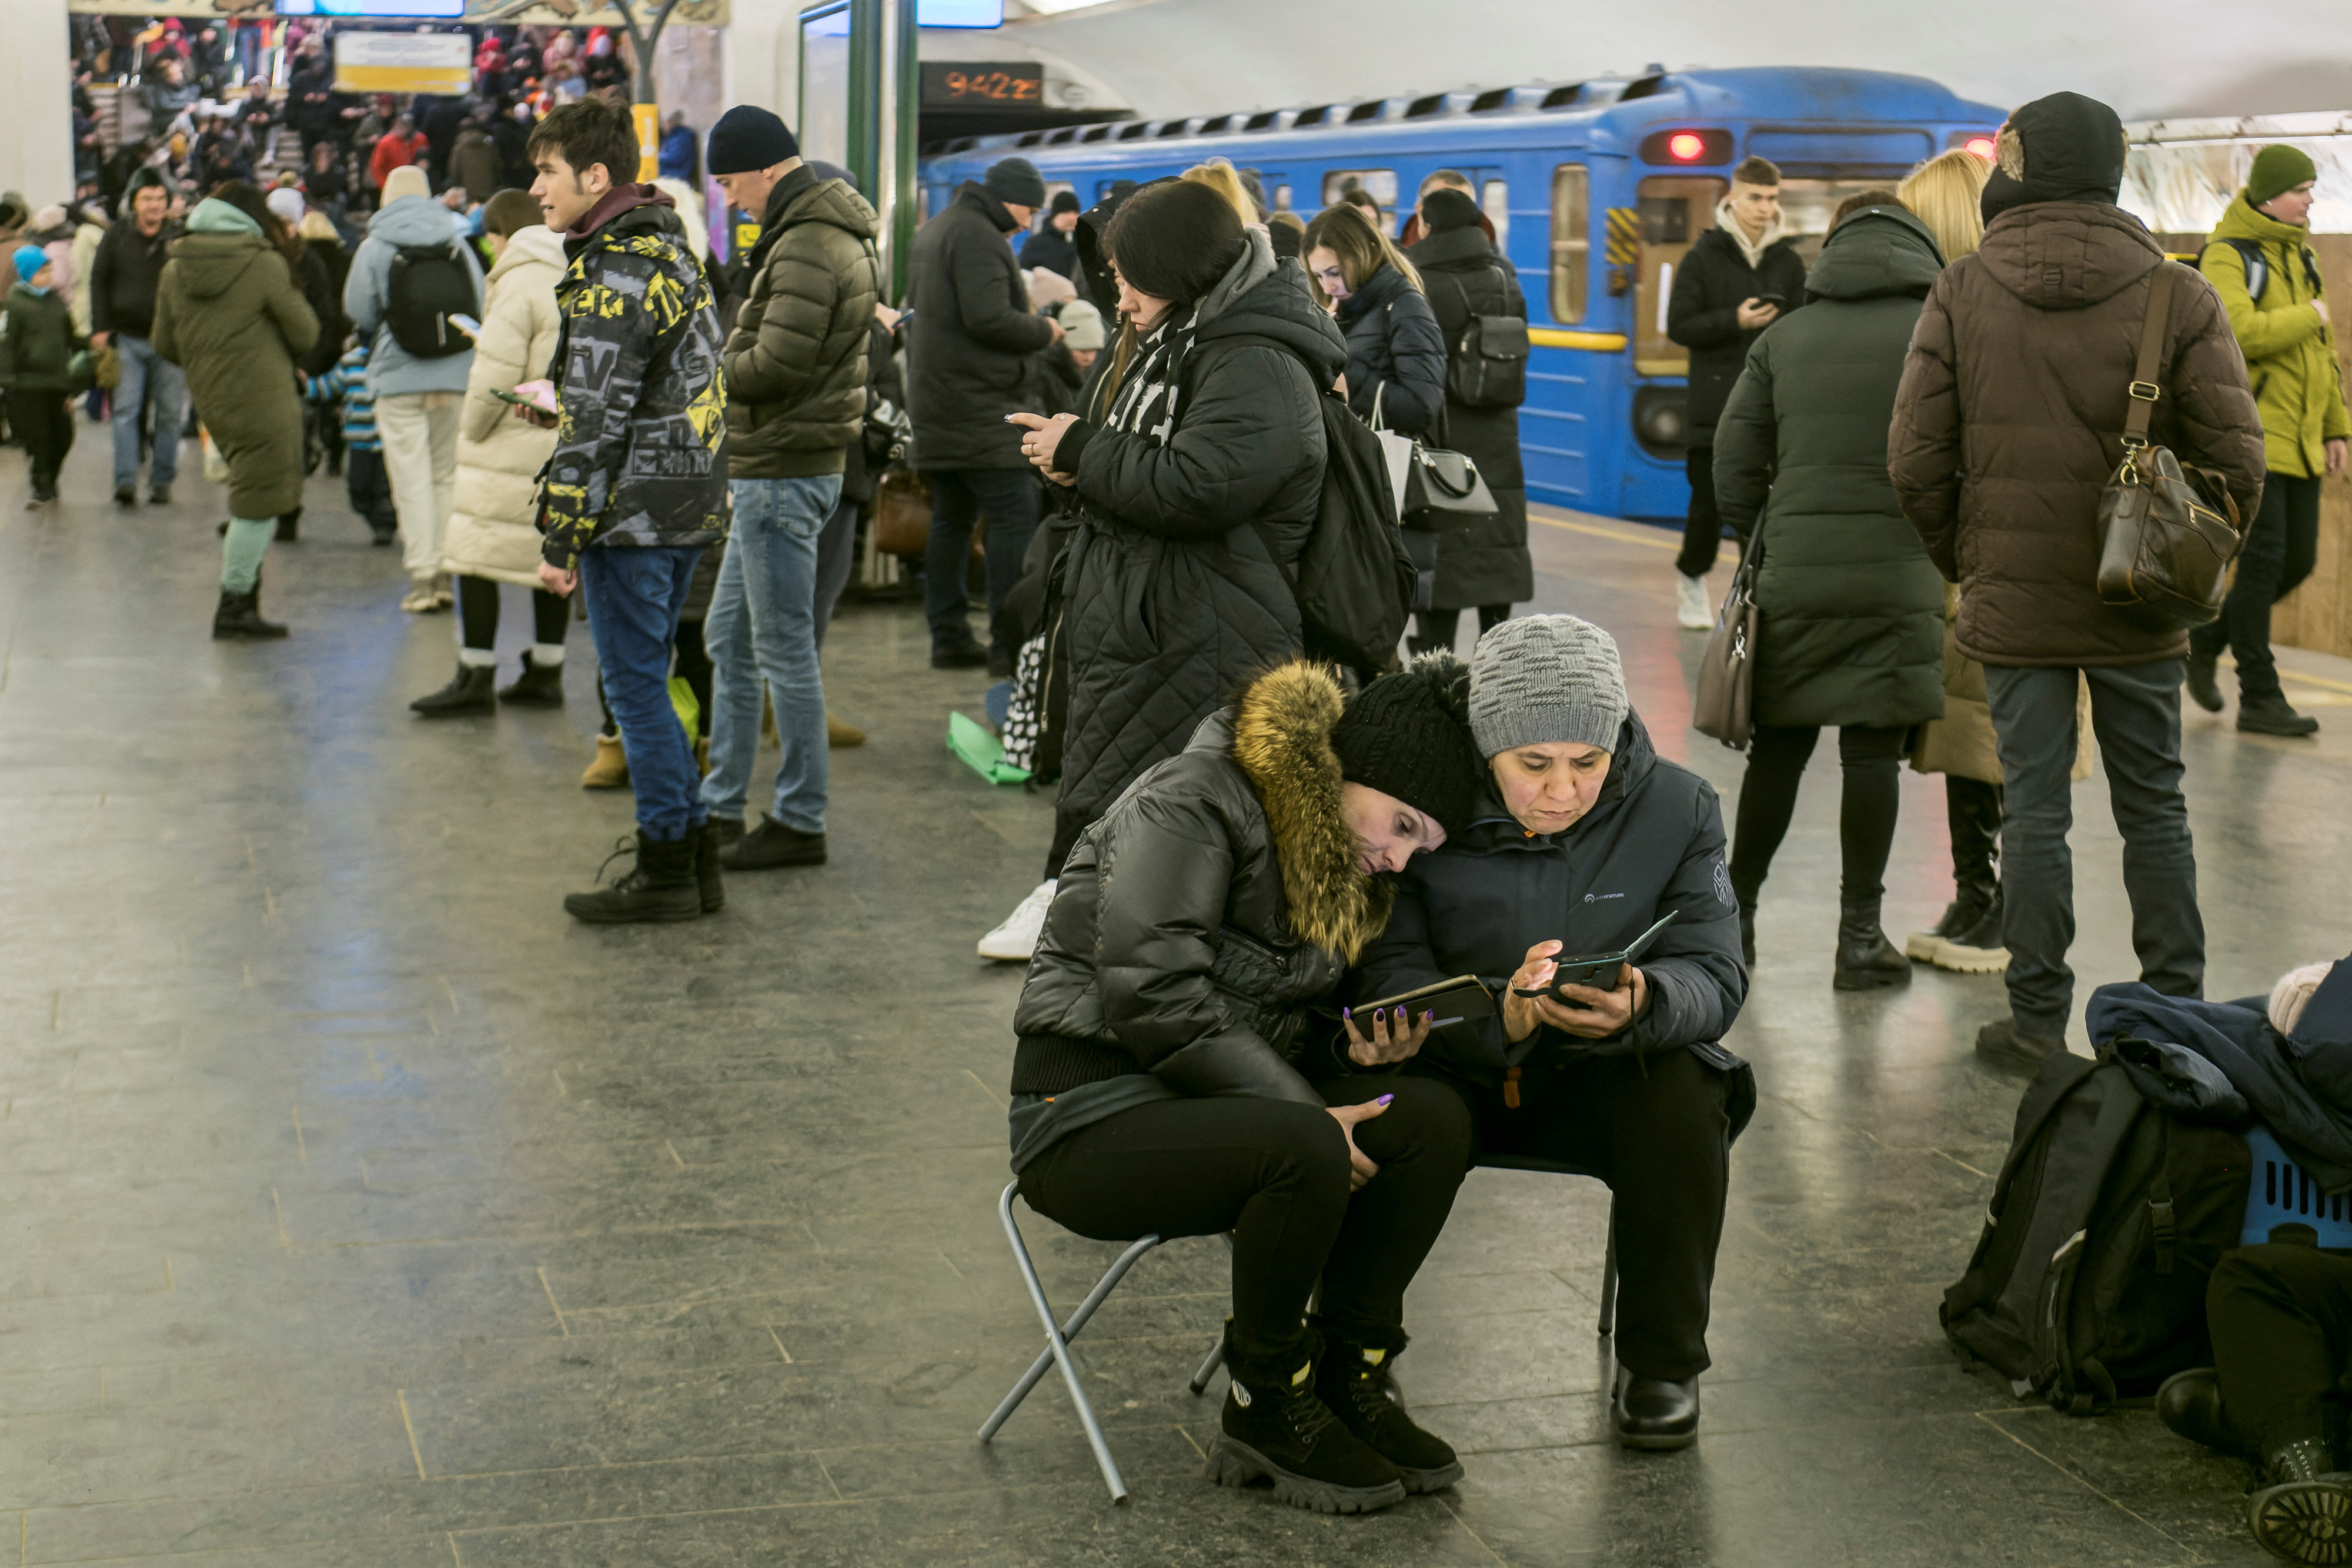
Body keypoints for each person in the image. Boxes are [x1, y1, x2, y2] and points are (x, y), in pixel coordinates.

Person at [1012, 656, 1488, 1514]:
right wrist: (1310, 1108)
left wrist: (1352, 1051)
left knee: (1429, 1119)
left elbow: (1268, 1011)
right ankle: (1266, 1397)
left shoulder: (1337, 859)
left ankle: (1351, 1371)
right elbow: (1151, 993)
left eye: (1421, 846)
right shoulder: (1192, 799)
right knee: (1307, 1139)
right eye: (1403, 824)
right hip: (1086, 1114)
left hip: (1211, 1109)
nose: (1398, 857)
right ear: (1352, 768)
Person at [1888, 91, 2265, 1067]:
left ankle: (2035, 1021)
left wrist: (1971, 564)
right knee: (2156, 803)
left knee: (2038, 809)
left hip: (2012, 602)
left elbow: (1914, 463)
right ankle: (2175, 1014)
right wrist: (2181, 564)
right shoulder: (2179, 294)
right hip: (2137, 603)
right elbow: (2240, 464)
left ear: (2027, 166)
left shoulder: (1962, 290)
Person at [1354, 614, 1752, 1450]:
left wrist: (1647, 1000)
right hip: (1458, 1067)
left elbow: (1716, 969)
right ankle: (1354, 1341)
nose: (1563, 790)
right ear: (1487, 746)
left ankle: (1662, 1361)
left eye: (1588, 763)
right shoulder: (1424, 803)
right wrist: (1495, 1015)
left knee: (1687, 1094)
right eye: (1532, 765)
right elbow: (1385, 969)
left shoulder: (1680, 805)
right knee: (1387, 1107)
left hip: (1603, 1066)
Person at [982, 179, 1344, 964]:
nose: (1119, 298)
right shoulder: (1186, 339)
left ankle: (1123, 937)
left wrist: (1081, 451)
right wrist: (1067, 455)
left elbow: (1200, 484)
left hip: (1209, 622)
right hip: (1153, 615)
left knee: (1174, 804)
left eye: (1126, 278)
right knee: (1117, 787)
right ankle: (1085, 912)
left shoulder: (1255, 360)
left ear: (1174, 270)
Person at [1712, 193, 1949, 987]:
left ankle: (1733, 917)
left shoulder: (1786, 335)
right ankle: (1859, 938)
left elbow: (1734, 464)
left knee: (1779, 748)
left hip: (1798, 573)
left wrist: (1766, 536)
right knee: (1872, 754)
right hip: (1902, 575)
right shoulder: (1942, 336)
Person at [524, 98, 729, 923]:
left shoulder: (613, 272)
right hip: (685, 501)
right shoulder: (670, 253)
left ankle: (666, 867)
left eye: (547, 171)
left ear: (595, 176)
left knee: (636, 690)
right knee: (654, 681)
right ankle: (693, 858)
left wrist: (561, 536)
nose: (537, 188)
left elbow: (598, 421)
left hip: (633, 516)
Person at [694, 105, 880, 871]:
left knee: (781, 649)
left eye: (734, 182)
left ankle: (800, 816)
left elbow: (775, 362)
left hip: (784, 466)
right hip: (783, 462)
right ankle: (721, 802)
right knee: (728, 638)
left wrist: (705, 370)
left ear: (769, 169)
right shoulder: (819, 234)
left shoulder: (807, 243)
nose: (732, 198)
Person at [1895, 148, 2018, 975]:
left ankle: (1994, 908)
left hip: (1982, 552)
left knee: (1982, 730)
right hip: (2001, 550)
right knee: (1974, 732)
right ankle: (1979, 897)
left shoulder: (1962, 306)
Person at [2186, 145, 2350, 738]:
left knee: (2299, 560)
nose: (2310, 199)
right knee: (2260, 565)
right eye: (2302, 189)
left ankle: (2205, 641)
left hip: (2302, 437)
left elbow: (2322, 356)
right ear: (2271, 194)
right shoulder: (2228, 254)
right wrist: (2310, 314)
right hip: (2250, 435)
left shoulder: (2299, 256)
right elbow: (2235, 333)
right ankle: (2259, 694)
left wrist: (2336, 428)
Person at [410, 190, 571, 715]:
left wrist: (473, 429)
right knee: (550, 555)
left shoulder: (518, 281)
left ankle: (475, 672)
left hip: (508, 438)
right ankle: (547, 668)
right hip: (560, 435)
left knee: (476, 554)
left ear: (503, 235)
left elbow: (495, 372)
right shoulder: (575, 266)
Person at [904, 156, 1063, 672]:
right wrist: (1044, 330)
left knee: (951, 518)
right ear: (1011, 200)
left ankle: (948, 636)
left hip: (939, 402)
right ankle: (1008, 646)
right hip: (979, 406)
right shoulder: (977, 236)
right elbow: (990, 319)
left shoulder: (939, 229)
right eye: (1029, 212)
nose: (1027, 225)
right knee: (1015, 512)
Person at [151, 182, 319, 638]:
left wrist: (211, 361)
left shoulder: (174, 266)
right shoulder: (261, 262)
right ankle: (236, 604)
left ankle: (241, 598)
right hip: (263, 396)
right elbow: (305, 333)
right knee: (257, 502)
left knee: (252, 493)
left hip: (213, 396)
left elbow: (164, 342)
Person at [1666, 155, 1809, 630]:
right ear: (1734, 197)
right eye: (1756, 198)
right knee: (1707, 505)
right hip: (1714, 407)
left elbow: (1802, 325)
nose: (1765, 208)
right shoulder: (1702, 258)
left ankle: (1757, 596)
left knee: (1767, 508)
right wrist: (1735, 320)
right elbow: (1678, 325)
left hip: (1769, 408)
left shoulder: (1788, 261)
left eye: (1772, 198)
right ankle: (1691, 576)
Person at [345, 162, 485, 613]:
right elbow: (479, 304)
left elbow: (360, 312)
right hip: (455, 373)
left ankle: (424, 576)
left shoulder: (374, 246)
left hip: (399, 376)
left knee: (410, 478)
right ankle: (448, 569)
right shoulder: (457, 242)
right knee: (446, 474)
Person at [1404, 185, 1532, 653]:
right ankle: (1495, 662)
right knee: (1499, 545)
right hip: (1500, 430)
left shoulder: (1420, 281)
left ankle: (1436, 665)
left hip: (1445, 433)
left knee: (1448, 547)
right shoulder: (1505, 277)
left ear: (1429, 226)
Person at [88, 169, 185, 506]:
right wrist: (100, 326)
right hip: (127, 339)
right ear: (134, 203)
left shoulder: (179, 237)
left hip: (171, 342)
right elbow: (98, 280)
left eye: (160, 198)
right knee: (126, 411)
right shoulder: (116, 236)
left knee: (171, 413)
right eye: (147, 199)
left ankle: (162, 479)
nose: (155, 206)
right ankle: (126, 480)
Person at [1305, 204, 1444, 436]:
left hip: (1389, 463)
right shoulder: (1342, 310)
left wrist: (1340, 361)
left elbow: (1420, 411)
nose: (1328, 287)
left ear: (1366, 253)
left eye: (1335, 272)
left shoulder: (1406, 306)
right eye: (1318, 276)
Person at [1, 247, 85, 506]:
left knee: (63, 436)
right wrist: (8, 379)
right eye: (42, 271)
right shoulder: (13, 304)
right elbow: (7, 344)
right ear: (27, 274)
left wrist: (90, 345)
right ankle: (42, 481)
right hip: (27, 384)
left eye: (49, 269)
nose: (49, 275)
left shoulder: (55, 301)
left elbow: (69, 336)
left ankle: (50, 476)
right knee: (39, 437)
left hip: (58, 382)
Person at [1018, 188, 1081, 277]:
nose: (1072, 217)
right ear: (1055, 215)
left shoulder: (1083, 243)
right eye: (1066, 212)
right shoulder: (1035, 245)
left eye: (1075, 213)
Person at [368, 115, 425, 197]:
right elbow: (377, 168)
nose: (405, 130)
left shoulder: (420, 140)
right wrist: (387, 188)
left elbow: (426, 163)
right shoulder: (385, 143)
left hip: (416, 187)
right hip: (393, 188)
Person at [657, 111, 699, 185]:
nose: (664, 126)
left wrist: (657, 157)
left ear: (671, 122)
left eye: (665, 123)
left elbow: (674, 158)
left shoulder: (680, 138)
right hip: (676, 175)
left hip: (678, 176)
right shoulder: (674, 136)